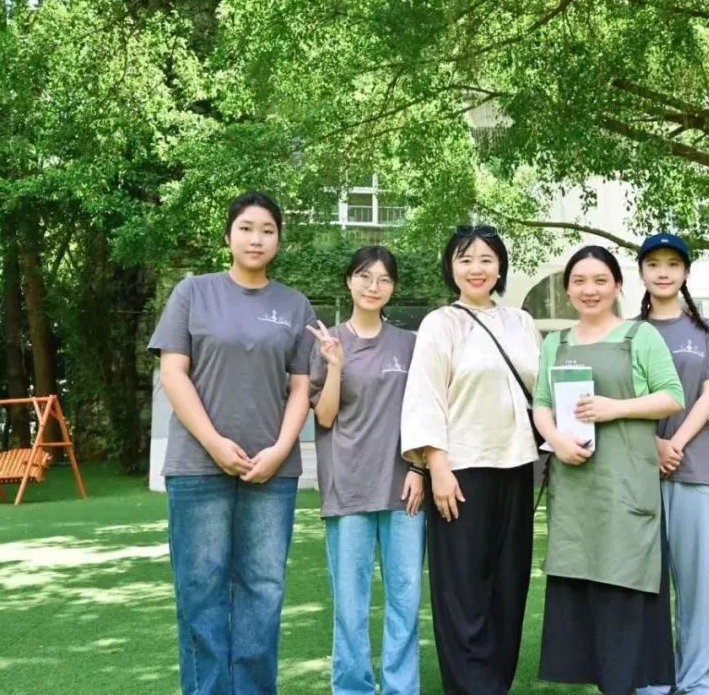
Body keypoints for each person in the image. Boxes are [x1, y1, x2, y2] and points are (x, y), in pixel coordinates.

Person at [148, 191, 315, 695]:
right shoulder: (192, 292)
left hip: (271, 472)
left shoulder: (295, 305)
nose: (256, 238)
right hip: (198, 467)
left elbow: (301, 388)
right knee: (200, 590)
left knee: (263, 590)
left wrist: (280, 451)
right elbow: (173, 374)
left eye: (267, 229)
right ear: (228, 235)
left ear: (279, 240)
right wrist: (215, 442)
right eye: (246, 227)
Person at [533, 245, 685, 695]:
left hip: (625, 489)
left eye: (600, 280)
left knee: (623, 587)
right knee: (582, 591)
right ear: (567, 290)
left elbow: (672, 396)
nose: (590, 290)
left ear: (618, 285)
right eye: (579, 281)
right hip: (576, 491)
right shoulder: (555, 343)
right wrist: (556, 440)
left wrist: (613, 408)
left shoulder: (641, 336)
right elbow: (541, 404)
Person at [400, 225, 541, 695]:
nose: (476, 268)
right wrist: (436, 467)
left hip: (517, 466)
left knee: (508, 582)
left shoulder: (522, 323)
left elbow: (542, 393)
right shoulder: (441, 323)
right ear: (451, 268)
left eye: (485, 259)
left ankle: (496, 683)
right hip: (461, 471)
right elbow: (425, 397)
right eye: (465, 259)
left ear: (500, 266)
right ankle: (467, 686)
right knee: (462, 587)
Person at [307, 246, 424, 695]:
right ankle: (352, 687)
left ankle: (400, 688)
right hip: (348, 486)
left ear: (393, 287)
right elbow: (324, 417)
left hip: (403, 488)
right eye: (364, 276)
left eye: (384, 279)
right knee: (350, 605)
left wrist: (419, 469)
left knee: (405, 598)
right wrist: (335, 366)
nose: (373, 286)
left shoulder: (410, 344)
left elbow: (423, 413)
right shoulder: (328, 342)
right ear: (349, 281)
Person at [635, 233, 709, 695]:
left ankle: (695, 681)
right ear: (641, 273)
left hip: (693, 468)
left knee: (696, 583)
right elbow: (619, 397)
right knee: (645, 580)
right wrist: (652, 445)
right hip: (637, 471)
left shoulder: (707, 331)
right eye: (654, 264)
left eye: (673, 264)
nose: (663, 272)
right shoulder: (627, 332)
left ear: (685, 272)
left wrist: (674, 444)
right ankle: (653, 679)